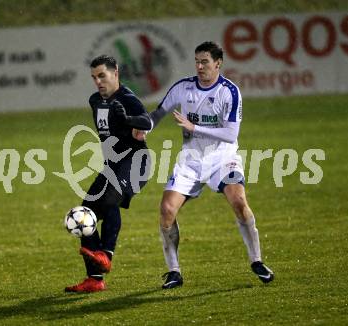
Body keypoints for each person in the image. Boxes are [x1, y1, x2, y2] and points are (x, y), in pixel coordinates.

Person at [149, 41, 274, 289]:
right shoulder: (183, 88)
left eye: (205, 61)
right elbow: (158, 113)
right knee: (166, 211)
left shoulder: (230, 92)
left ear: (218, 63)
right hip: (191, 160)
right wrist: (144, 127)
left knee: (239, 202)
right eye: (197, 61)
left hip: (223, 157)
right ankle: (174, 271)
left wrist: (194, 127)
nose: (199, 66)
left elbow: (230, 135)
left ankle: (256, 261)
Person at [65, 55, 151, 293]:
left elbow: (147, 121)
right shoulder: (95, 100)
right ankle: (94, 279)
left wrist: (128, 119)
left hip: (136, 163)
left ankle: (106, 254)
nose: (98, 81)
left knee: (111, 197)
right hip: (112, 166)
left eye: (102, 75)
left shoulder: (126, 98)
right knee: (85, 213)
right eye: (94, 77)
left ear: (116, 74)